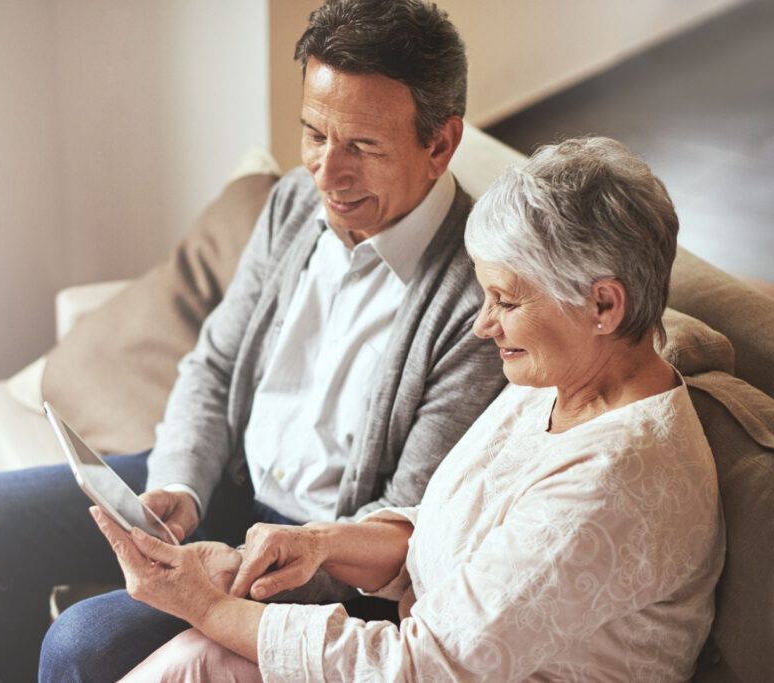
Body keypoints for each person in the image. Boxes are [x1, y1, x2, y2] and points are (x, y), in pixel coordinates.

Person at [0, 1, 506, 681]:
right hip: (225, 483)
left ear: (440, 144)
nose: (328, 174)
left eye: (362, 146)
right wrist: (181, 482)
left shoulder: (482, 300)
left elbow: (402, 533)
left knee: (81, 643)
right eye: (315, 134)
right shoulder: (295, 205)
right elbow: (212, 365)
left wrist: (235, 572)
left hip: (313, 557)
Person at [101, 136, 727, 682]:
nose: (484, 325)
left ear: (604, 306)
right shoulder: (559, 382)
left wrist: (208, 606)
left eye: (506, 301)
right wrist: (318, 542)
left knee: (193, 657)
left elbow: (421, 667)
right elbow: (446, 531)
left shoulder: (614, 486)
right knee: (191, 661)